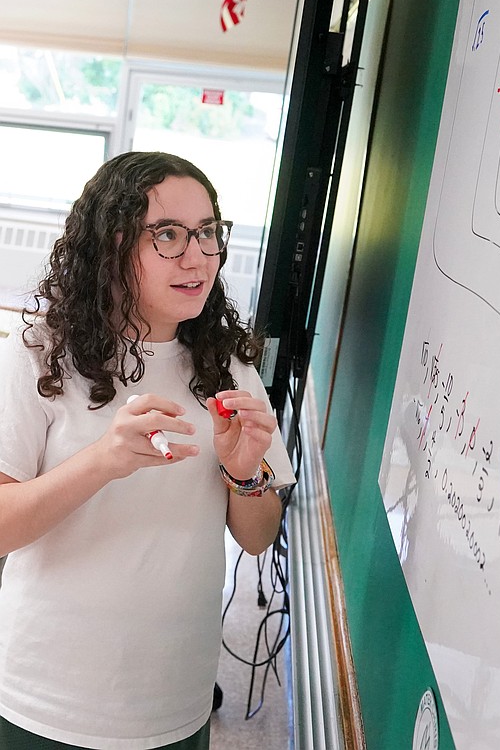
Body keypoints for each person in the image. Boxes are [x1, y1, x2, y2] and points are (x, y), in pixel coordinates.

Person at [0, 151, 295, 750]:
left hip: (173, 702)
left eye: (209, 233)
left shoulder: (229, 366)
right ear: (111, 246)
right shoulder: (39, 352)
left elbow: (257, 536)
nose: (197, 257)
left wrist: (244, 476)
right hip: (44, 698)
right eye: (168, 235)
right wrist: (103, 461)